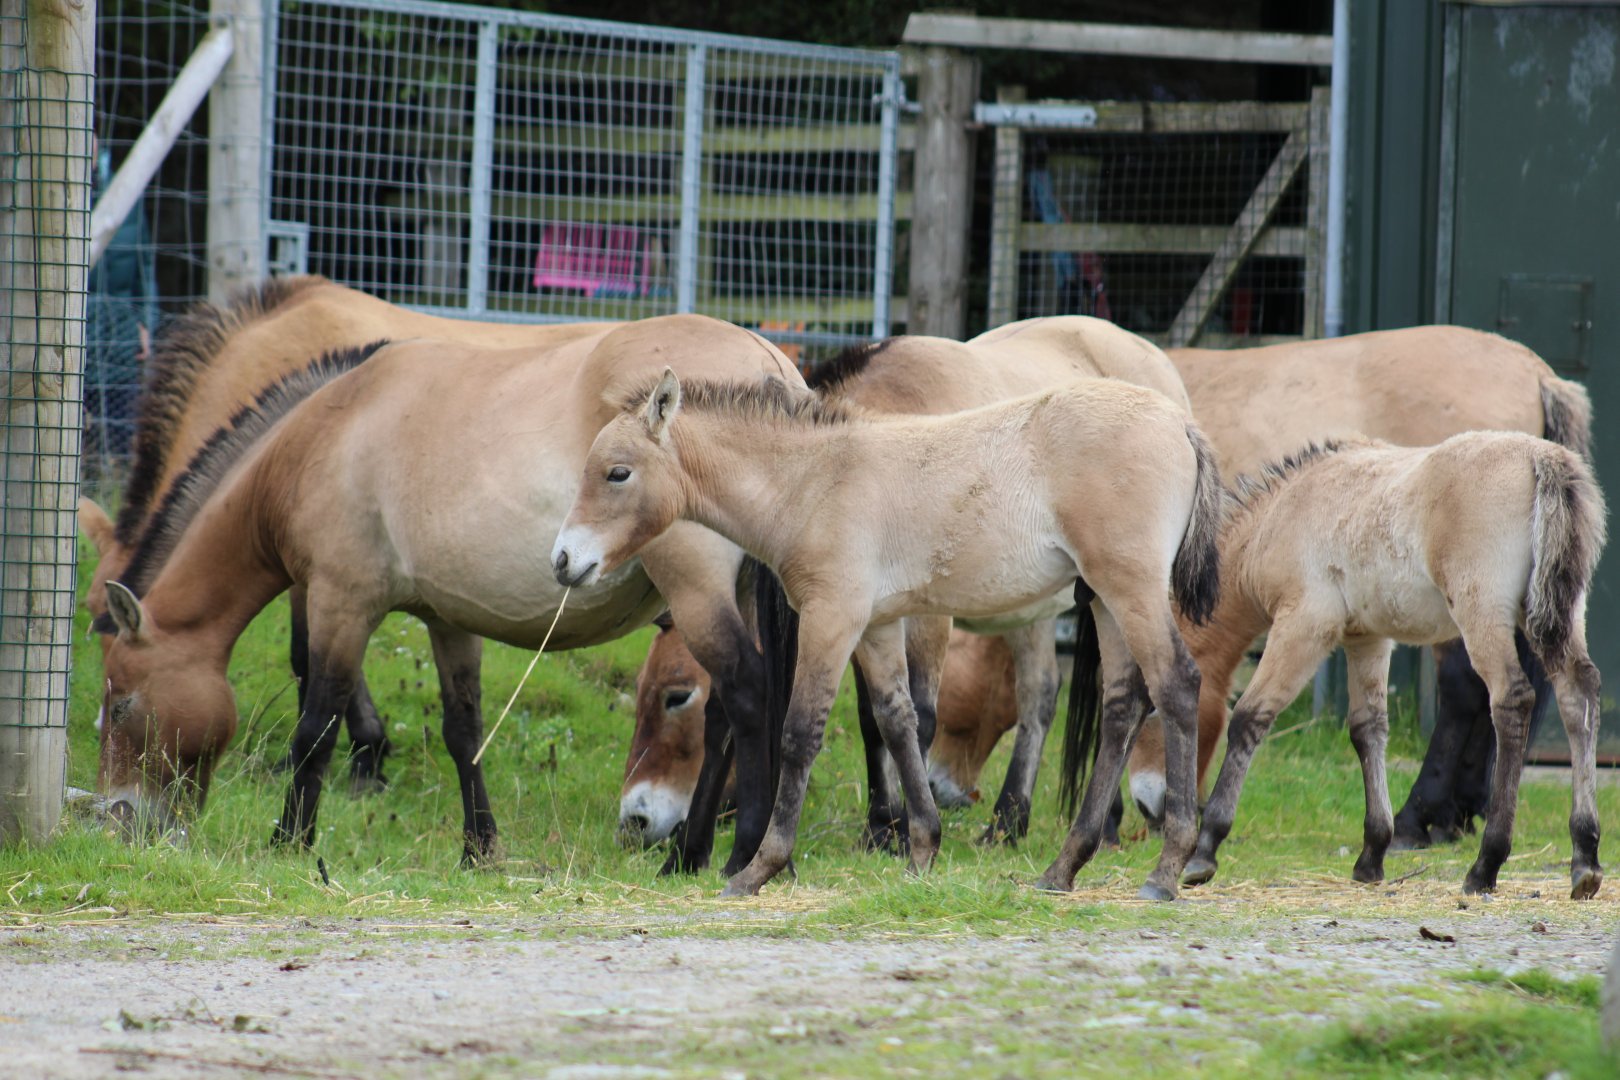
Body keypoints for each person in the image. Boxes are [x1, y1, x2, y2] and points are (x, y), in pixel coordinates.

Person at [85, 139, 158, 461]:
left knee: (119, 448)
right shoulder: (54, 193)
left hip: (120, 341)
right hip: (70, 337)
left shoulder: (127, 193)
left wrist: (146, 323)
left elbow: (146, 269)